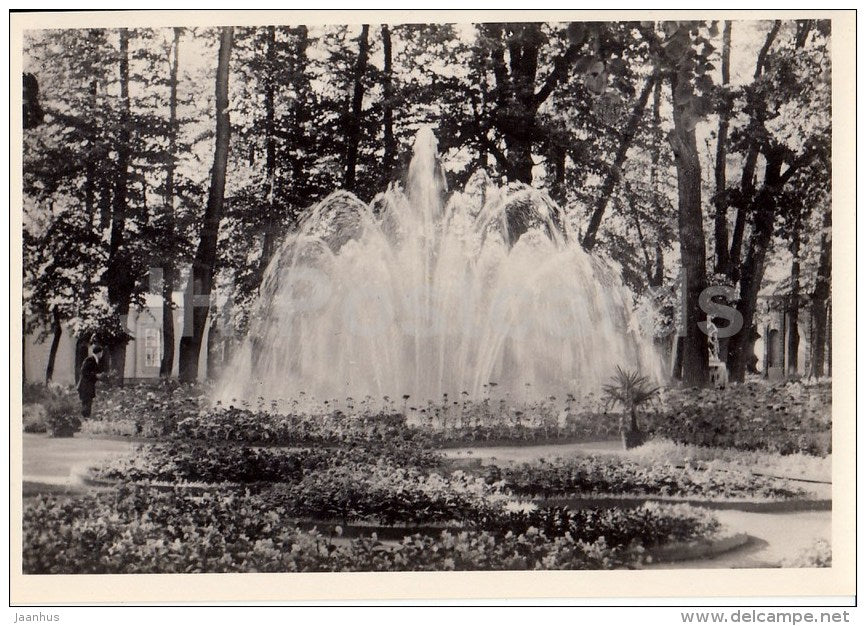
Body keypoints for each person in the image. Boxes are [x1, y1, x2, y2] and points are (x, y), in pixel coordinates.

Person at [77, 345, 104, 419]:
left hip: (88, 387)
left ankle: (86, 421)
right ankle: (85, 422)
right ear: (99, 353)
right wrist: (95, 376)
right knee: (86, 405)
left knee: (88, 405)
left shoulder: (94, 360)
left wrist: (97, 376)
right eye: (102, 353)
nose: (102, 354)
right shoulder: (90, 359)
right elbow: (84, 372)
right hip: (85, 387)